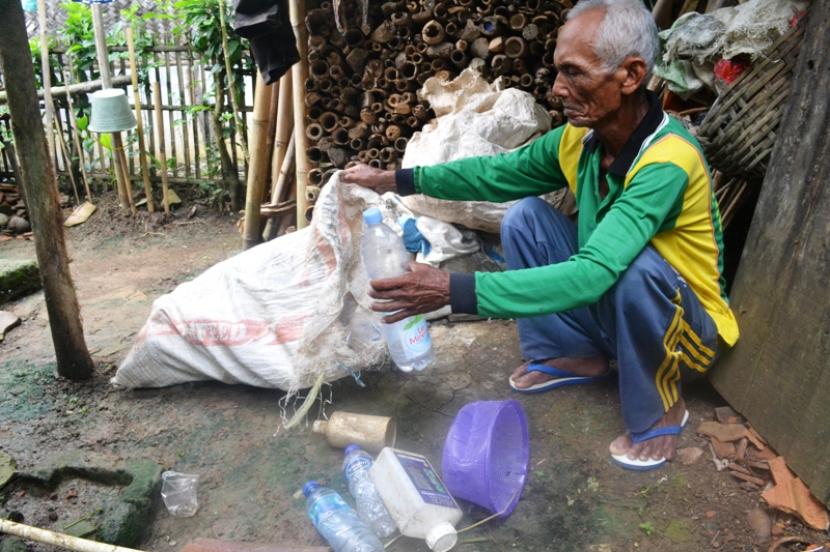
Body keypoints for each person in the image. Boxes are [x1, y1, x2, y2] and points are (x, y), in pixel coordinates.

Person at [341, 0, 739, 470]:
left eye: (573, 73)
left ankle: (660, 409)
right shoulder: (583, 138)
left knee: (635, 269)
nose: (557, 89)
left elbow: (592, 275)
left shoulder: (668, 160)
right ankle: (572, 353)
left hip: (685, 335)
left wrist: (452, 290)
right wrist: (395, 180)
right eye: (557, 72)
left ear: (630, 76)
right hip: (619, 310)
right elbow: (497, 173)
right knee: (525, 217)